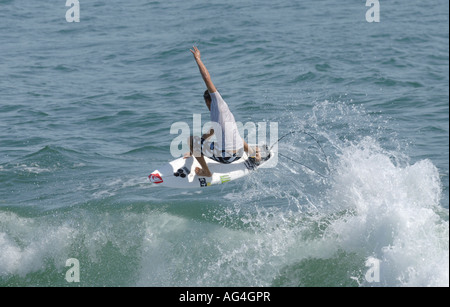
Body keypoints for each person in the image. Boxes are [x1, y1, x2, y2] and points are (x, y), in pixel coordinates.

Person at [185, 46, 260, 177]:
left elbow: (206, 78)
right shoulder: (223, 110)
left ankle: (206, 171)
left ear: (208, 101)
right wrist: (195, 149)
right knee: (232, 133)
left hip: (228, 157)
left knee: (191, 140)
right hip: (240, 152)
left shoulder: (216, 102)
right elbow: (213, 130)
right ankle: (253, 153)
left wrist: (198, 59)